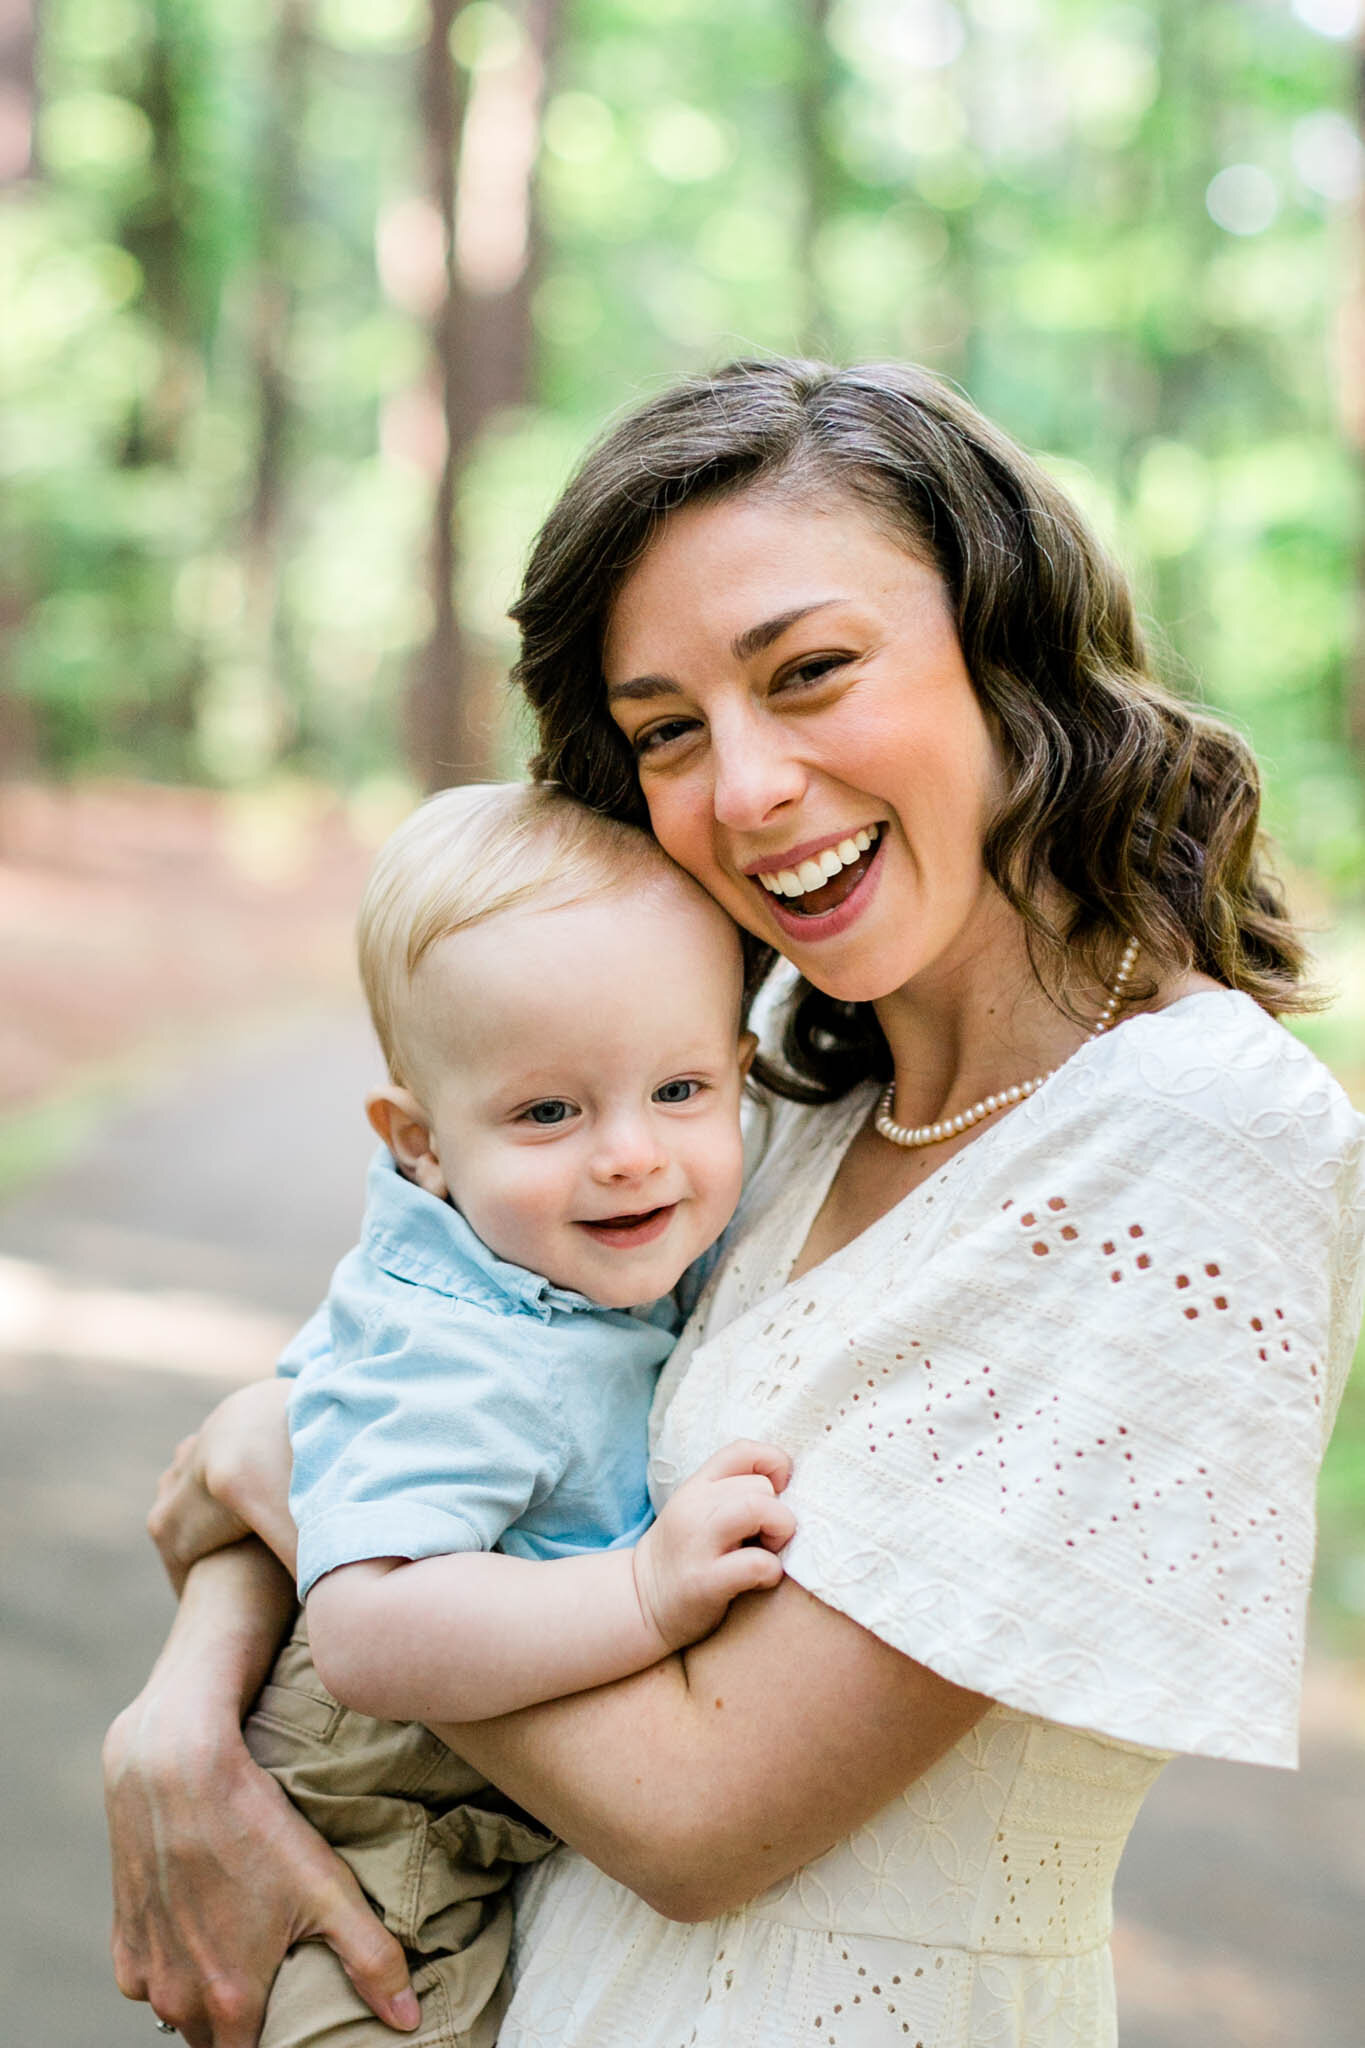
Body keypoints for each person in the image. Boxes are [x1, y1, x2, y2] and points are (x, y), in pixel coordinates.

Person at [105, 358, 1365, 2048]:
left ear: (1006, 653)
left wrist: (291, 1478)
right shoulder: (758, 1075)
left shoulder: (1187, 1136)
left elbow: (702, 1812)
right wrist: (182, 1714)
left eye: (814, 670)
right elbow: (402, 1384)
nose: (748, 786)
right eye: (669, 731)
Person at [168, 777, 791, 2048]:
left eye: (679, 1091)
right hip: (374, 1818)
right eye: (549, 1111)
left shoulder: (560, 1250)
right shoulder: (459, 1349)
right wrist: (644, 1594)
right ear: (422, 1142)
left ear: (742, 1075)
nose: (629, 1152)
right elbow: (368, 1626)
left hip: (479, 1791)